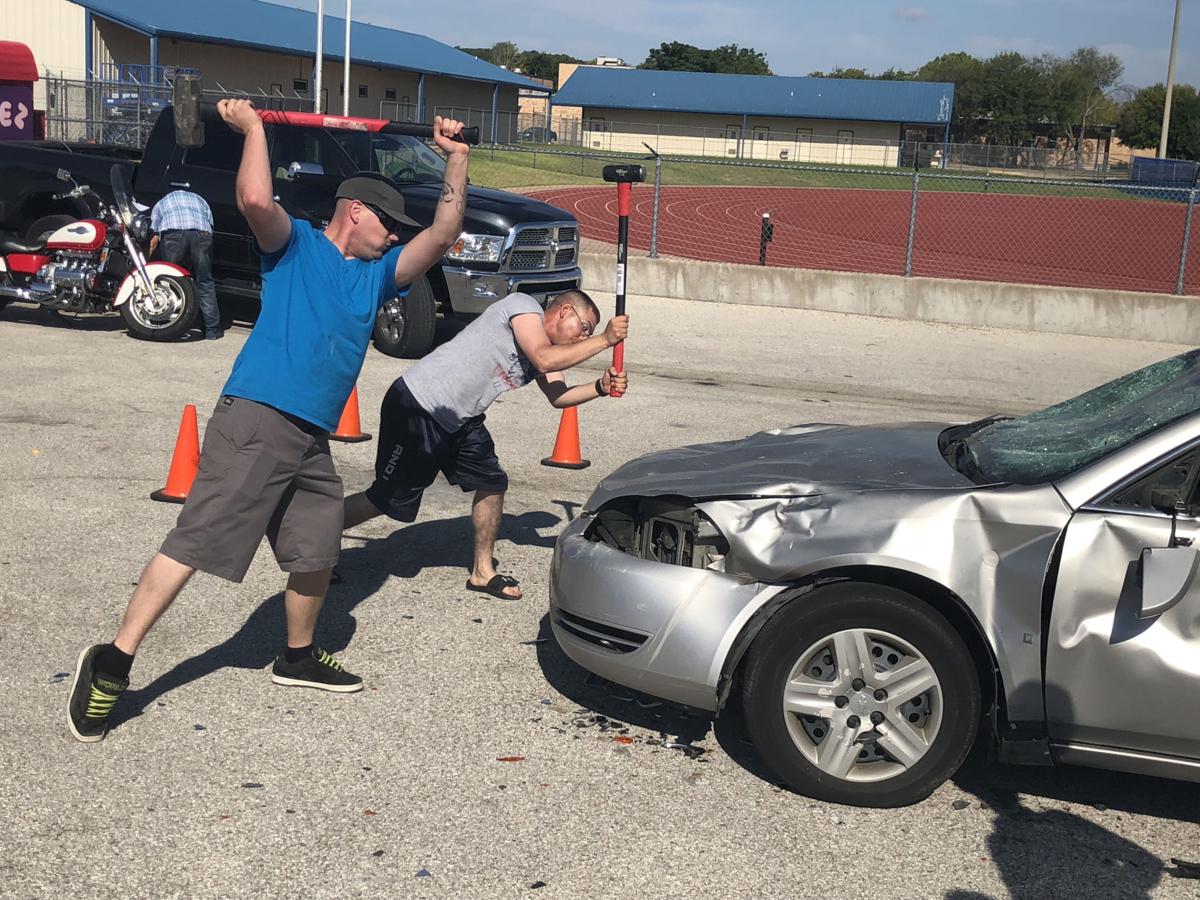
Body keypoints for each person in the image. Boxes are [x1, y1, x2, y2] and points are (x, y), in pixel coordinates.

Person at [66, 99, 471, 742]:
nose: (396, 236)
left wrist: (458, 157)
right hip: (257, 418)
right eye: (388, 225)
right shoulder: (295, 246)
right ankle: (114, 662)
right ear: (355, 211)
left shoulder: (376, 280)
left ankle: (297, 655)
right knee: (197, 543)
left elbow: (444, 232)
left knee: (316, 547)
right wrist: (254, 129)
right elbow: (255, 198)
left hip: (311, 436)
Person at [340, 289, 629, 600]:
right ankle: (314, 543)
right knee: (384, 499)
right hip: (420, 405)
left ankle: (482, 571)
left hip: (462, 419)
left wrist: (600, 387)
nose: (582, 337)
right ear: (564, 310)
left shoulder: (543, 352)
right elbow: (545, 359)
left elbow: (559, 396)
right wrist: (604, 340)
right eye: (583, 328)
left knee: (492, 482)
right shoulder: (523, 307)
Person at [149, 189, 222, 340]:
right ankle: (212, 330)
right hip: (202, 233)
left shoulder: (162, 201)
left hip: (173, 233)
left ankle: (167, 324)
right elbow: (210, 225)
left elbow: (154, 236)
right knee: (205, 281)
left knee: (169, 281)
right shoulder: (200, 199)